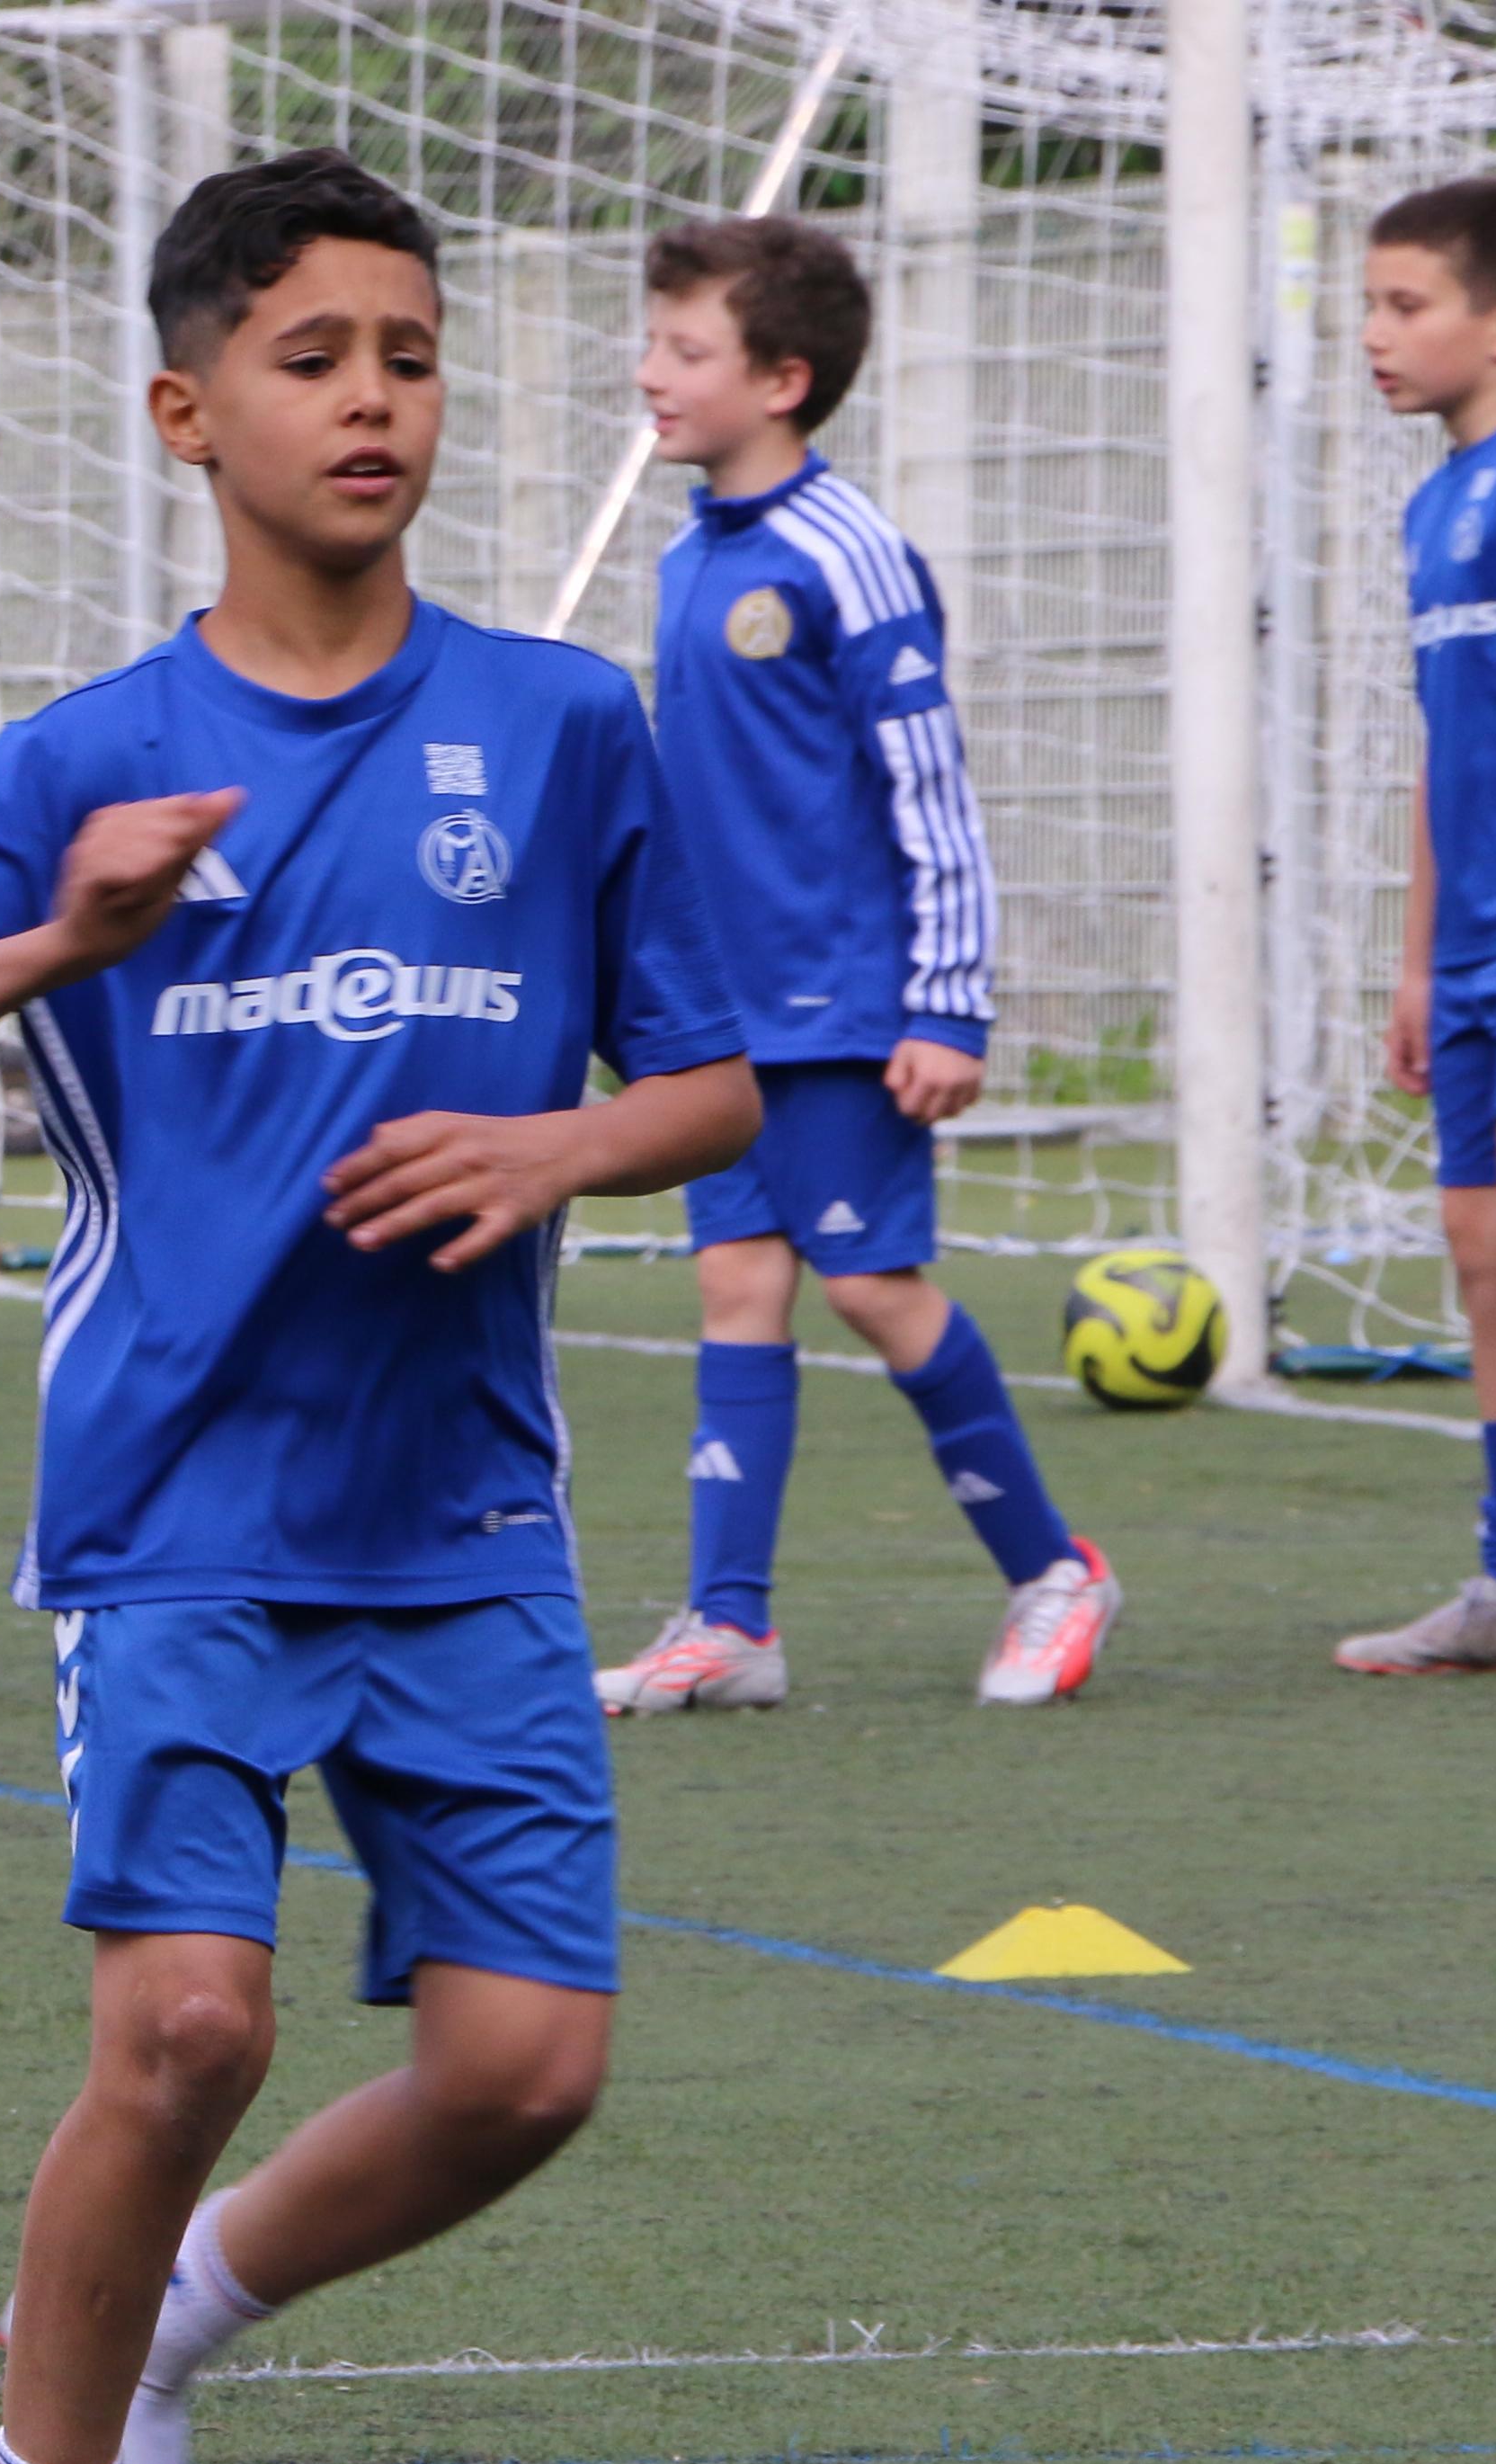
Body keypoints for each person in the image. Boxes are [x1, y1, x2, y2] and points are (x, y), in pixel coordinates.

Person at [0, 151, 753, 2464]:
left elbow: (720, 1075)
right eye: (318, 357)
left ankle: (173, 2310)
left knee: (531, 2071)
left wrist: (559, 1147)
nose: (377, 401)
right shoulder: (89, 758)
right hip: (177, 1505)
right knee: (188, 2023)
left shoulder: (560, 730)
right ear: (193, 412)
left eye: (413, 355)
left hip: (461, 1518)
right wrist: (57, 940)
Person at [592, 216, 1119, 1716]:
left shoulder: (851, 553)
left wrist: (948, 1000)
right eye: (654, 343)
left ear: (783, 378)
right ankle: (729, 1625)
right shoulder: (695, 553)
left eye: (684, 351)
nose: (650, 374)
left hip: (842, 1011)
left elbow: (928, 788)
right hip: (724, 1019)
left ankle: (1055, 1573)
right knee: (738, 1290)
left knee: (875, 1291)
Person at [1343, 175, 1496, 1675]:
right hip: (1481, 942)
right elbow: (1449, 746)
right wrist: (1420, 961)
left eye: (1404, 305)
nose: (1372, 334)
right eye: (1366, 303)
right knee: (1483, 1246)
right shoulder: (1437, 499)